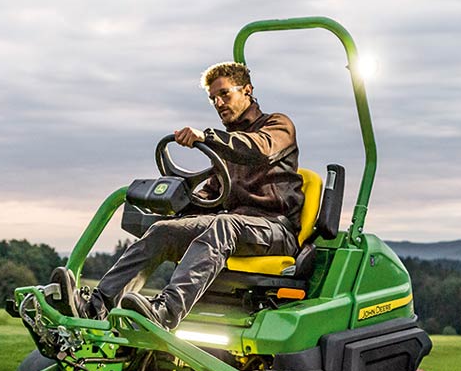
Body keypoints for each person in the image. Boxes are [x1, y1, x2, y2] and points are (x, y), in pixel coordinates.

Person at [49, 61, 304, 329]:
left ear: (247, 90)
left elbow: (258, 149)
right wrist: (175, 212)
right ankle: (96, 308)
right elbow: (211, 198)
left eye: (224, 94)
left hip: (275, 229)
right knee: (164, 230)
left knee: (223, 224)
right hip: (234, 227)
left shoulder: (277, 126)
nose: (218, 103)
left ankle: (165, 312)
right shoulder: (225, 152)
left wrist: (206, 138)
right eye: (213, 98)